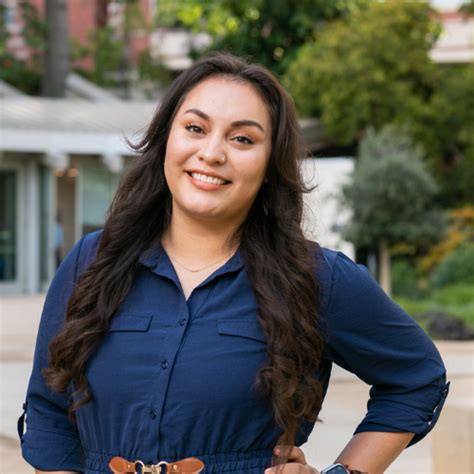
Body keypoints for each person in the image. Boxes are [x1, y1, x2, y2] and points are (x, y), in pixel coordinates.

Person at [18, 54, 449, 474]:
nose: (212, 153)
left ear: (269, 165)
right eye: (195, 128)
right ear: (166, 138)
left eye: (242, 138)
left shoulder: (315, 278)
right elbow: (48, 406)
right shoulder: (93, 261)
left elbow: (416, 378)